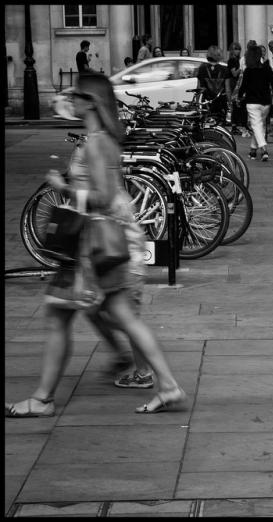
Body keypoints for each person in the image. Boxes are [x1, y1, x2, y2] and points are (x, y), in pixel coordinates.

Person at [5, 72, 186, 418]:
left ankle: (43, 399)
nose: (70, 99)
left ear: (91, 101)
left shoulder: (99, 142)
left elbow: (103, 197)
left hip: (95, 246)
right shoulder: (97, 138)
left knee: (67, 316)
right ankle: (167, 386)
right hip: (97, 245)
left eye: (76, 95)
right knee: (115, 315)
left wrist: (65, 186)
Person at [238, 45, 273, 161]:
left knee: (256, 126)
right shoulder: (267, 68)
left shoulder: (248, 70)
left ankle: (264, 149)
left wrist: (239, 97)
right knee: (259, 126)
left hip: (252, 102)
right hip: (265, 102)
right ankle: (253, 151)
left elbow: (243, 87)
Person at [196, 45, 233, 124]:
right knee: (220, 126)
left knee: (206, 124)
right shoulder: (225, 69)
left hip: (207, 102)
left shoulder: (202, 68)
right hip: (220, 102)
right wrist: (230, 103)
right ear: (219, 55)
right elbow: (228, 89)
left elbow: (198, 87)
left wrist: (196, 103)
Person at [227, 42, 247, 136]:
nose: (237, 51)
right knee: (235, 105)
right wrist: (242, 68)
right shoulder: (232, 60)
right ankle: (234, 126)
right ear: (232, 50)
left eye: (238, 49)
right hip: (234, 83)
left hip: (241, 82)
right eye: (235, 49)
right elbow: (234, 73)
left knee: (242, 105)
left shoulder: (239, 59)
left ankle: (242, 125)